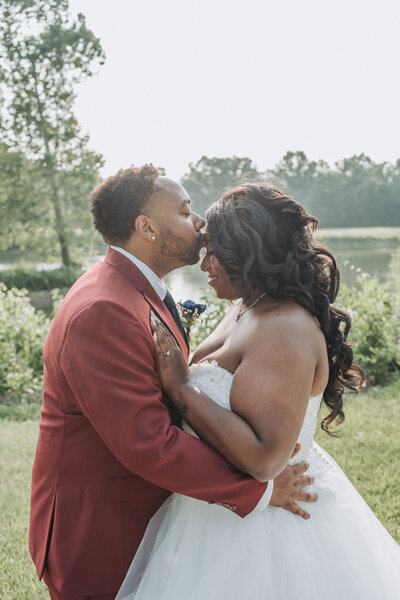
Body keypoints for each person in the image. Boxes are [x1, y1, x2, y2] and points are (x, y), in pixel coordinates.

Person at [29, 167, 316, 600]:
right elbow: (147, 441)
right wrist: (257, 491)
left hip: (153, 515)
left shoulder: (137, 289)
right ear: (145, 227)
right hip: (103, 528)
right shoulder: (103, 309)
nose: (200, 222)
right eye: (184, 212)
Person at [117, 182, 400, 600]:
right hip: (215, 512)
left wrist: (181, 388)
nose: (204, 263)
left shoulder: (284, 328)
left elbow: (266, 459)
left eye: (214, 251)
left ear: (249, 250)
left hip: (270, 527)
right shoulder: (246, 305)